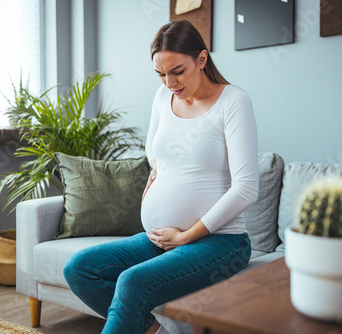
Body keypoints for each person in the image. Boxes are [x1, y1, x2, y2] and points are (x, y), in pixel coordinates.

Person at [63, 20, 259, 334]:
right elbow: (152, 149)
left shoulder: (233, 102)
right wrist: (157, 177)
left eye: (177, 71)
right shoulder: (162, 97)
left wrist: (186, 235)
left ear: (202, 59)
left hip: (222, 242)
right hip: (162, 240)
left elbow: (247, 189)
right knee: (80, 268)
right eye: (161, 74)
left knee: (132, 281)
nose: (169, 82)